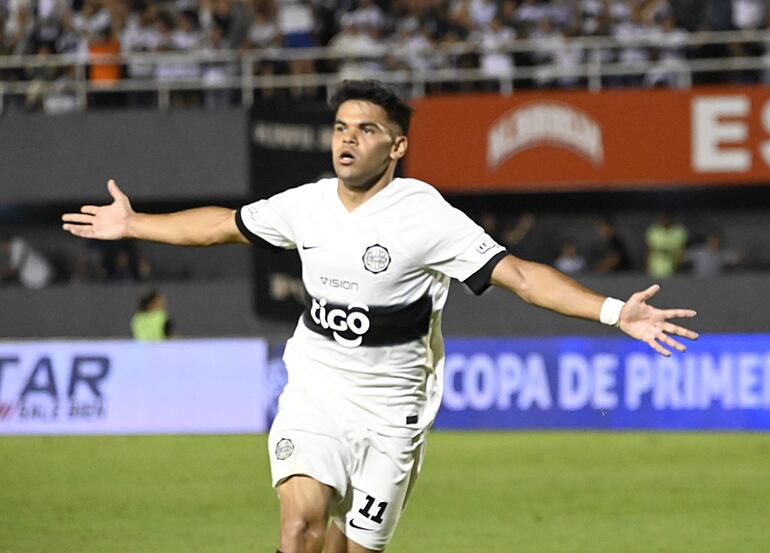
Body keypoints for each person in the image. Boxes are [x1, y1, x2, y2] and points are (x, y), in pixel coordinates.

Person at [62, 79, 698, 553]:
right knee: (300, 526)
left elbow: (521, 276)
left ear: (397, 146)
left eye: (364, 130)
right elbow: (220, 227)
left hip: (394, 412)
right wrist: (134, 223)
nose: (347, 139)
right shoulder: (306, 205)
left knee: (349, 546)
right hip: (316, 391)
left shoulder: (428, 216)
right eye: (340, 127)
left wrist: (618, 313)